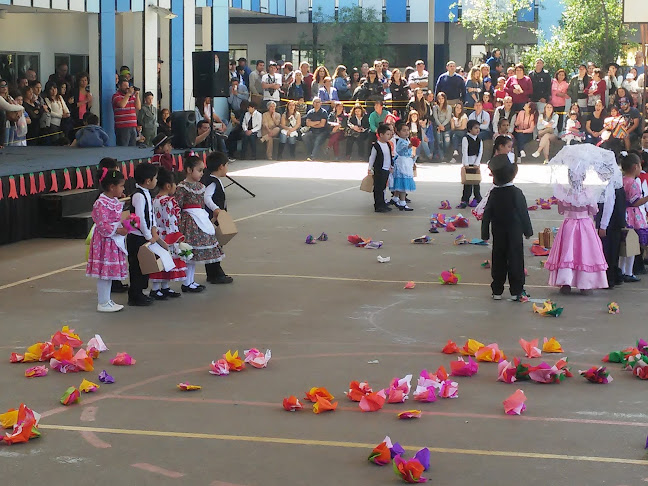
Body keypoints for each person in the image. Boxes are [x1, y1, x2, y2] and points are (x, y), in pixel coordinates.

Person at [545, 169, 609, 294]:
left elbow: (561, 210)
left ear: (569, 178)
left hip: (569, 224)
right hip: (585, 224)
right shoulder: (588, 193)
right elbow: (594, 210)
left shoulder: (565, 193)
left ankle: (566, 282)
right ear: (584, 177)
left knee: (567, 252)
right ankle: (585, 284)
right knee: (585, 252)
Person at [481, 155, 533, 301]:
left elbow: (487, 214)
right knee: (515, 259)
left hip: (498, 232)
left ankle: (497, 289)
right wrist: (527, 231)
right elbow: (523, 213)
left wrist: (484, 233)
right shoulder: (517, 192)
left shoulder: (494, 193)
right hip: (514, 232)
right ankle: (516, 290)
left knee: (498, 259)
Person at [176, 153, 223, 290]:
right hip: (188, 223)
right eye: (199, 170)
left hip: (199, 221)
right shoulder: (182, 187)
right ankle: (186, 282)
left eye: (203, 170)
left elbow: (202, 205)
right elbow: (177, 206)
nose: (202, 173)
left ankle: (190, 281)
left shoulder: (201, 187)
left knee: (193, 255)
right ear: (189, 170)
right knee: (189, 253)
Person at [86, 168, 128, 312]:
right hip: (105, 241)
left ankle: (107, 300)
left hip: (113, 240)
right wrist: (117, 230)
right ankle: (102, 302)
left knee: (109, 272)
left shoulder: (114, 200)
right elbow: (102, 224)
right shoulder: (101, 203)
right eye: (121, 186)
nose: (123, 189)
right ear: (112, 187)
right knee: (105, 272)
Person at [148, 167, 186, 299]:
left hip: (158, 234)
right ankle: (158, 289)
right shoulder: (168, 202)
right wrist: (176, 236)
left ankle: (162, 288)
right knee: (165, 261)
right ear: (169, 185)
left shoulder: (154, 200)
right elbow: (171, 221)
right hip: (167, 236)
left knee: (161, 261)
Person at [127, 163, 161, 306]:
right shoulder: (139, 196)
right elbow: (140, 218)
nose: (156, 181)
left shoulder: (146, 193)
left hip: (145, 236)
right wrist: (148, 236)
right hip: (137, 237)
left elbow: (150, 214)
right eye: (155, 178)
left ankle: (140, 292)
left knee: (144, 266)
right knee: (137, 267)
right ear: (148, 181)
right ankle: (134, 295)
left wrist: (154, 229)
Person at [201, 151, 234, 284]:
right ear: (221, 166)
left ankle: (214, 272)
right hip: (213, 219)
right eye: (226, 165)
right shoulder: (213, 181)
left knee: (215, 245)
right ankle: (215, 273)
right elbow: (206, 197)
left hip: (213, 218)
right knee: (215, 245)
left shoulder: (209, 178)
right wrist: (216, 209)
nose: (227, 168)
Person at [620, 152, 648, 282]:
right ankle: (628, 272)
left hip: (623, 214)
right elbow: (635, 202)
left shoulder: (621, 181)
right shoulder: (632, 183)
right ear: (636, 166)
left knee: (623, 246)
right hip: (632, 216)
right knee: (632, 245)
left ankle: (622, 270)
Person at [387, 120, 416, 211]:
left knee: (400, 182)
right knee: (403, 183)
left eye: (407, 130)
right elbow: (400, 150)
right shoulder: (400, 141)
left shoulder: (406, 140)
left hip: (406, 162)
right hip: (402, 163)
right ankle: (402, 202)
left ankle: (395, 198)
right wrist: (409, 146)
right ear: (398, 132)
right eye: (404, 130)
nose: (406, 132)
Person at [368, 123, 394, 213]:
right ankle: (378, 205)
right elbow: (372, 157)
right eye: (387, 134)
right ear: (381, 135)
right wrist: (370, 168)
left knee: (383, 187)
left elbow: (389, 156)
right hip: (379, 170)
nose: (389, 136)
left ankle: (383, 203)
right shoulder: (376, 146)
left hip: (386, 169)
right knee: (378, 188)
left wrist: (391, 166)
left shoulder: (388, 144)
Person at [459, 120, 483, 209]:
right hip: (468, 162)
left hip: (475, 163)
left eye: (478, 128)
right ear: (469, 129)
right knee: (468, 183)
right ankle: (465, 199)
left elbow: (480, 152)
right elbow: (464, 151)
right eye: (475, 128)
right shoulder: (466, 138)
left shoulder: (479, 140)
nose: (477, 130)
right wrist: (466, 164)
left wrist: (477, 163)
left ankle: (478, 198)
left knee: (476, 182)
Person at [112, 76, 141, 146]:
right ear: (119, 86)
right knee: (123, 147)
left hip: (133, 126)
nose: (127, 87)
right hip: (122, 127)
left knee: (132, 147)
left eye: (128, 85)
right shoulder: (116, 96)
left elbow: (138, 107)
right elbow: (122, 105)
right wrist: (128, 94)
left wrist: (137, 96)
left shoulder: (132, 97)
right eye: (124, 86)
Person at [43, 81, 70, 145]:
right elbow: (49, 112)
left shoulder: (60, 97)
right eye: (51, 89)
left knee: (63, 139)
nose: (54, 91)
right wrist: (61, 116)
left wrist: (67, 113)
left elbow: (65, 107)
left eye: (55, 88)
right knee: (56, 140)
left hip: (62, 123)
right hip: (53, 123)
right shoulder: (47, 99)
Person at [433, 92, 452, 159]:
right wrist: (440, 126)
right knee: (439, 141)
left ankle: (446, 153)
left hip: (446, 127)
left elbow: (448, 118)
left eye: (442, 98)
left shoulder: (448, 107)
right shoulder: (435, 107)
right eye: (439, 98)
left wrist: (442, 125)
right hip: (438, 127)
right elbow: (435, 117)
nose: (441, 100)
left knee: (447, 141)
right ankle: (441, 156)